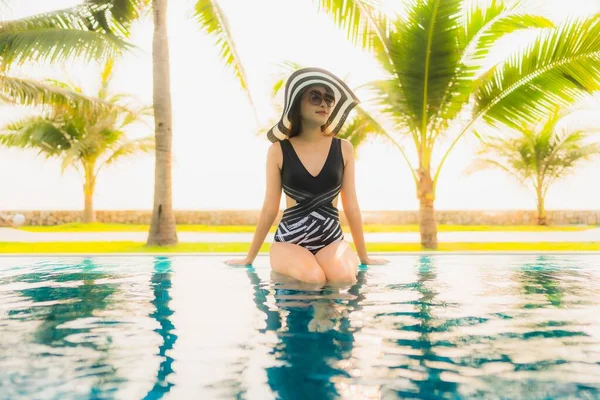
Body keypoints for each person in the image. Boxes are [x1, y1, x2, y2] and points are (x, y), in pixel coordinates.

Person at [225, 67, 388, 282]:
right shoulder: (278, 150)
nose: (324, 104)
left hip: (331, 240)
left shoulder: (343, 148)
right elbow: (269, 208)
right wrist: (249, 258)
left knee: (344, 277)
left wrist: (364, 257)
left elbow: (352, 206)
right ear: (297, 104)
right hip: (289, 242)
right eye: (315, 97)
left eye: (328, 99)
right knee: (313, 278)